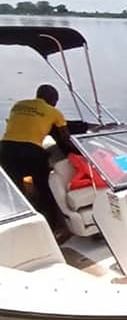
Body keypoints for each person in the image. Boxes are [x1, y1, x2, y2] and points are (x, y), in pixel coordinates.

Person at [0, 84, 76, 231]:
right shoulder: (54, 112)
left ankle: (21, 225)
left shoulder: (18, 105)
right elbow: (65, 139)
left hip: (5, 149)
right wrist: (75, 153)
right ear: (53, 99)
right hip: (31, 151)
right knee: (44, 188)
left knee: (16, 190)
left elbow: (23, 124)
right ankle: (56, 227)